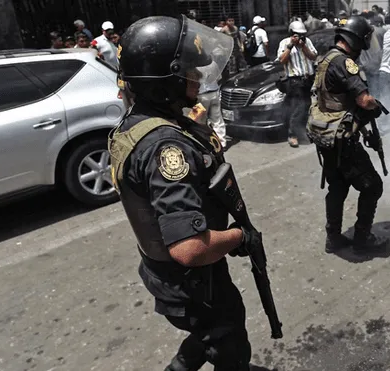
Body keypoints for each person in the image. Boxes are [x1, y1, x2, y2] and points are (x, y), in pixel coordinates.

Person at [108, 15, 257, 369]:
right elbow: (190, 249)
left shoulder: (137, 122)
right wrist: (241, 236)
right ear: (165, 79)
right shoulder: (166, 147)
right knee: (228, 336)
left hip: (168, 275)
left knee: (209, 334)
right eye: (189, 69)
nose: (197, 75)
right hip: (193, 282)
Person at [307, 15, 389, 254]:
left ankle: (333, 238)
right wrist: (376, 105)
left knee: (338, 188)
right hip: (342, 140)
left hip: (326, 136)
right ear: (355, 39)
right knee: (373, 187)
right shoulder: (345, 63)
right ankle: (362, 239)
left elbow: (336, 102)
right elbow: (363, 100)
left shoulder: (326, 58)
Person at [277, 20, 318, 147]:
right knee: (299, 108)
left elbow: (313, 56)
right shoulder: (284, 43)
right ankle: (292, 134)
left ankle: (304, 131)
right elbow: (282, 60)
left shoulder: (307, 42)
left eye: (302, 35)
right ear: (291, 33)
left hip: (308, 79)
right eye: (297, 35)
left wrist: (303, 46)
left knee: (307, 106)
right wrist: (291, 46)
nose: (300, 37)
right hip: (295, 81)